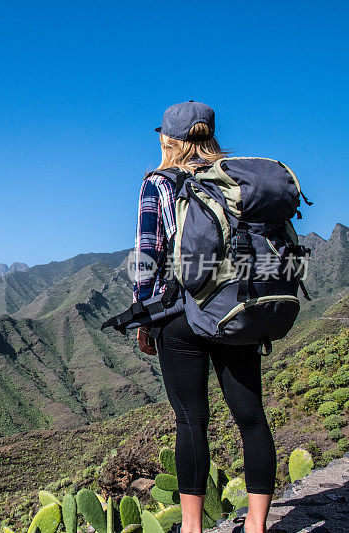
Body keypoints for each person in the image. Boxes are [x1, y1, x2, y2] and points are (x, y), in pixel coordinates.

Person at [133, 101, 276, 533]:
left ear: (168, 138)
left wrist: (145, 314)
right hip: (235, 310)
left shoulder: (158, 183)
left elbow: (147, 254)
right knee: (251, 418)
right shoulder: (237, 179)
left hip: (180, 315)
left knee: (191, 420)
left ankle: (192, 529)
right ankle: (256, 525)